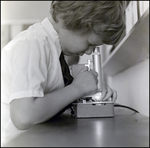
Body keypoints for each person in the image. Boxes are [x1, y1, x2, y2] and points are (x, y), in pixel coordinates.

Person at [1, 1, 125, 146]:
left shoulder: (52, 48)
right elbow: (23, 116)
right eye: (90, 43)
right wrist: (78, 88)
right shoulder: (33, 43)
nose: (89, 51)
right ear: (77, 22)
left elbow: (48, 90)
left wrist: (86, 84)